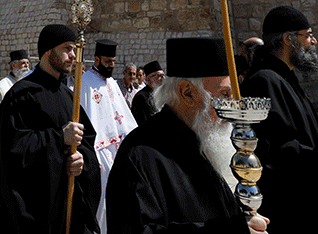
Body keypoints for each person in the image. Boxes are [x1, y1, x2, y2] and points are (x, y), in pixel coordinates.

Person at [106, 37, 269, 233]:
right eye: (225, 95)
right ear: (187, 93)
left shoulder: (201, 141)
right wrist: (231, 230)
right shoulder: (139, 156)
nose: (231, 109)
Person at [240, 6, 318, 234]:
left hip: (316, 197)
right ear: (289, 39)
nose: (314, 41)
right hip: (299, 210)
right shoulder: (264, 81)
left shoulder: (283, 78)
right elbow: (274, 153)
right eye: (307, 35)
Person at [0, 24, 100, 234]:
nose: (73, 55)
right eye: (67, 49)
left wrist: (82, 161)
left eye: (75, 50)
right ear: (48, 51)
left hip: (65, 209)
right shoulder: (20, 95)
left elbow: (86, 139)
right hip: (35, 212)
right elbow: (13, 152)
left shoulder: (69, 95)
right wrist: (60, 138)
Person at [79, 39, 138, 234]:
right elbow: (86, 115)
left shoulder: (112, 83)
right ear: (96, 59)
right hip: (99, 149)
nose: (111, 65)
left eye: (113, 61)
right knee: (102, 196)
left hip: (119, 148)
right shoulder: (85, 81)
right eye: (107, 61)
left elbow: (124, 116)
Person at [0, 49, 32, 225]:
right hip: (9, 140)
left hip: (27, 139)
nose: (26, 66)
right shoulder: (2, 86)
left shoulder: (30, 83)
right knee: (6, 178)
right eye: (23, 63)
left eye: (28, 63)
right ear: (13, 65)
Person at [130, 60, 164, 125]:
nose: (163, 78)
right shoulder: (141, 97)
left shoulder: (162, 94)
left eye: (163, 75)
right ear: (149, 79)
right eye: (159, 76)